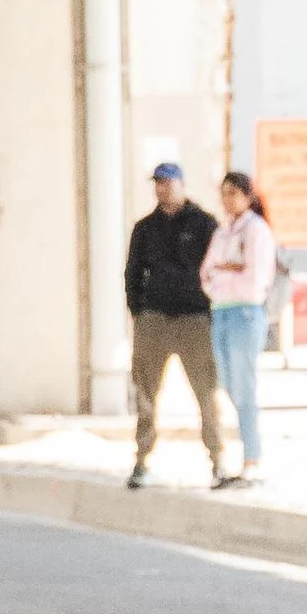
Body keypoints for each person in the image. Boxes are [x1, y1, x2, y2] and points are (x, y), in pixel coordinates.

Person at [125, 159, 231, 488]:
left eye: (168, 182)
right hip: (154, 319)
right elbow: (132, 272)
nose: (163, 188)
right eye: (158, 182)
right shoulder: (145, 228)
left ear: (182, 185)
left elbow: (217, 268)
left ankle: (217, 461)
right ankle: (141, 461)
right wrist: (138, 311)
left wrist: (208, 308)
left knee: (206, 393)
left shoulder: (203, 224)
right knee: (145, 393)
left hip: (193, 319)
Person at [202, 171, 276, 488]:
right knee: (228, 382)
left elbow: (254, 277)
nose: (227, 199)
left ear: (247, 196)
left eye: (234, 193)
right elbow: (207, 272)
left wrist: (227, 275)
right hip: (221, 311)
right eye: (224, 193)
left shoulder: (256, 230)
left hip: (244, 313)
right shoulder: (223, 232)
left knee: (244, 386)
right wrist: (225, 274)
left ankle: (253, 456)